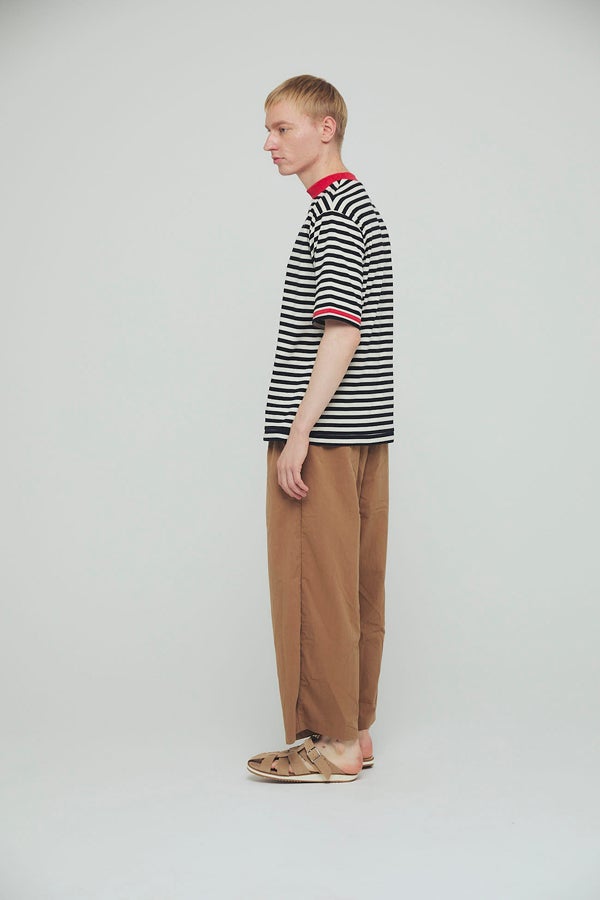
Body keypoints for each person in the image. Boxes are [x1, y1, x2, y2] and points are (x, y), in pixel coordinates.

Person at [246, 75, 394, 783]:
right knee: (354, 585)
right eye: (269, 130)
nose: (269, 143)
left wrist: (299, 433)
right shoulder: (358, 205)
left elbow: (341, 330)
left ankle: (330, 745)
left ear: (326, 128)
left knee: (313, 585)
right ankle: (354, 732)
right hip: (364, 434)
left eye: (283, 129)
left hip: (326, 438)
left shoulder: (332, 213)